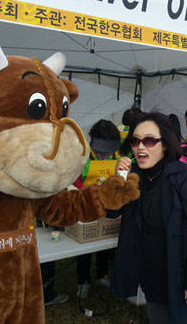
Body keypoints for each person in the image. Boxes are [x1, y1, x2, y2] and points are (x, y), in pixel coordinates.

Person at [111, 112, 187, 324]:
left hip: (184, 276)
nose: (141, 147)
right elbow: (112, 211)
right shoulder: (133, 176)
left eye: (149, 140)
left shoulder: (183, 177)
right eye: (136, 141)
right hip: (153, 276)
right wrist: (119, 179)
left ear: (164, 144)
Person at [75, 119, 121, 299]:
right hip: (86, 206)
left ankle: (101, 274)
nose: (103, 155)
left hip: (109, 207)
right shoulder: (83, 155)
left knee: (104, 243)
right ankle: (83, 280)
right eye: (101, 150)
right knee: (84, 246)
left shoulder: (116, 156)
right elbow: (75, 179)